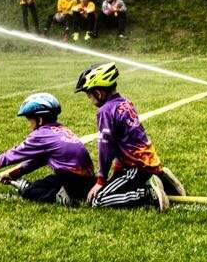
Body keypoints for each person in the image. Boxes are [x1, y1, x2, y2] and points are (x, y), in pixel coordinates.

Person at [75, 62, 186, 211]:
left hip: (135, 168)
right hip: (149, 163)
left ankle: (147, 193)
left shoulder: (105, 111)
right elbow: (125, 142)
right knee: (114, 185)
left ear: (99, 92)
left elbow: (105, 149)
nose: (89, 98)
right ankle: (162, 179)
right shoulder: (125, 103)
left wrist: (100, 180)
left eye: (88, 93)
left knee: (98, 200)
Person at [0, 93, 95, 206]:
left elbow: (14, 154)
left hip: (74, 182)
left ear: (39, 119)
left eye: (29, 120)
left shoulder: (41, 135)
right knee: (40, 184)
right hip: (83, 179)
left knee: (30, 192)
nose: (29, 125)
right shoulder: (59, 129)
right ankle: (68, 192)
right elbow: (39, 160)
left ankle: (67, 198)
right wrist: (12, 174)